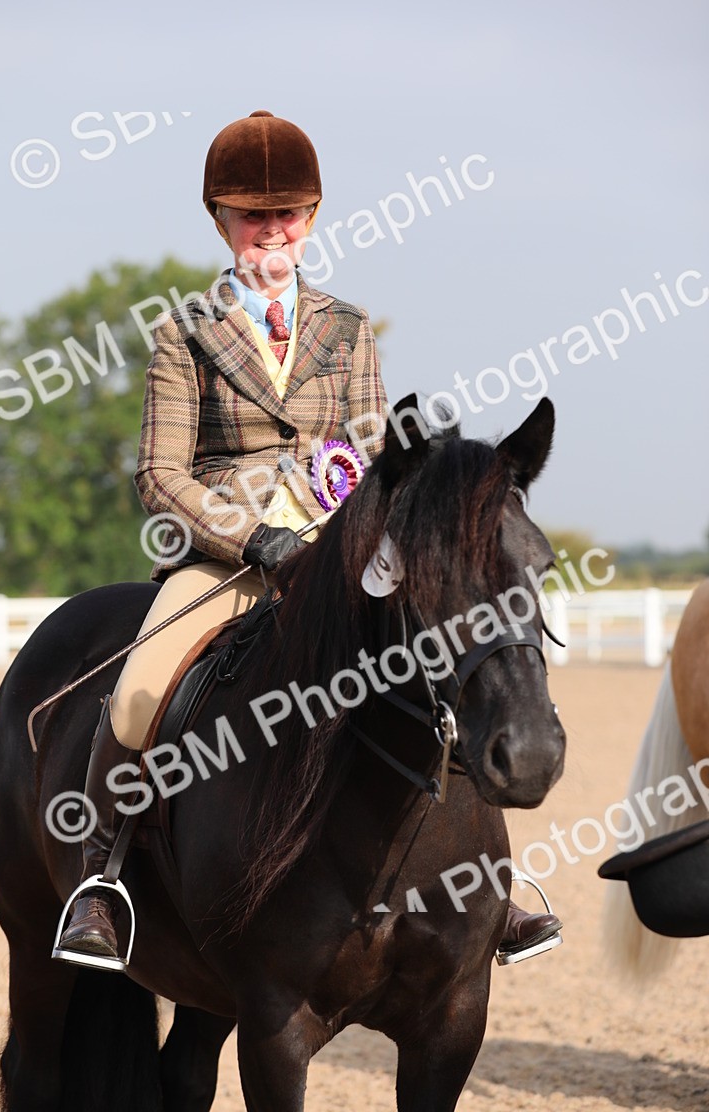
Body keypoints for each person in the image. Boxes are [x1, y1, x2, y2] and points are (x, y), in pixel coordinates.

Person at [56, 110, 562, 967]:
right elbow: (160, 475)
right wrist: (253, 539)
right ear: (221, 222)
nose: (272, 231)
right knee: (142, 687)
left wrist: (366, 535)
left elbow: (369, 454)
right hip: (225, 561)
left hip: (340, 554)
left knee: (440, 655)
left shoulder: (349, 326)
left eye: (287, 215)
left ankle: (485, 888)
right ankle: (101, 880)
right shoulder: (184, 332)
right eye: (254, 217)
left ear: (314, 217)